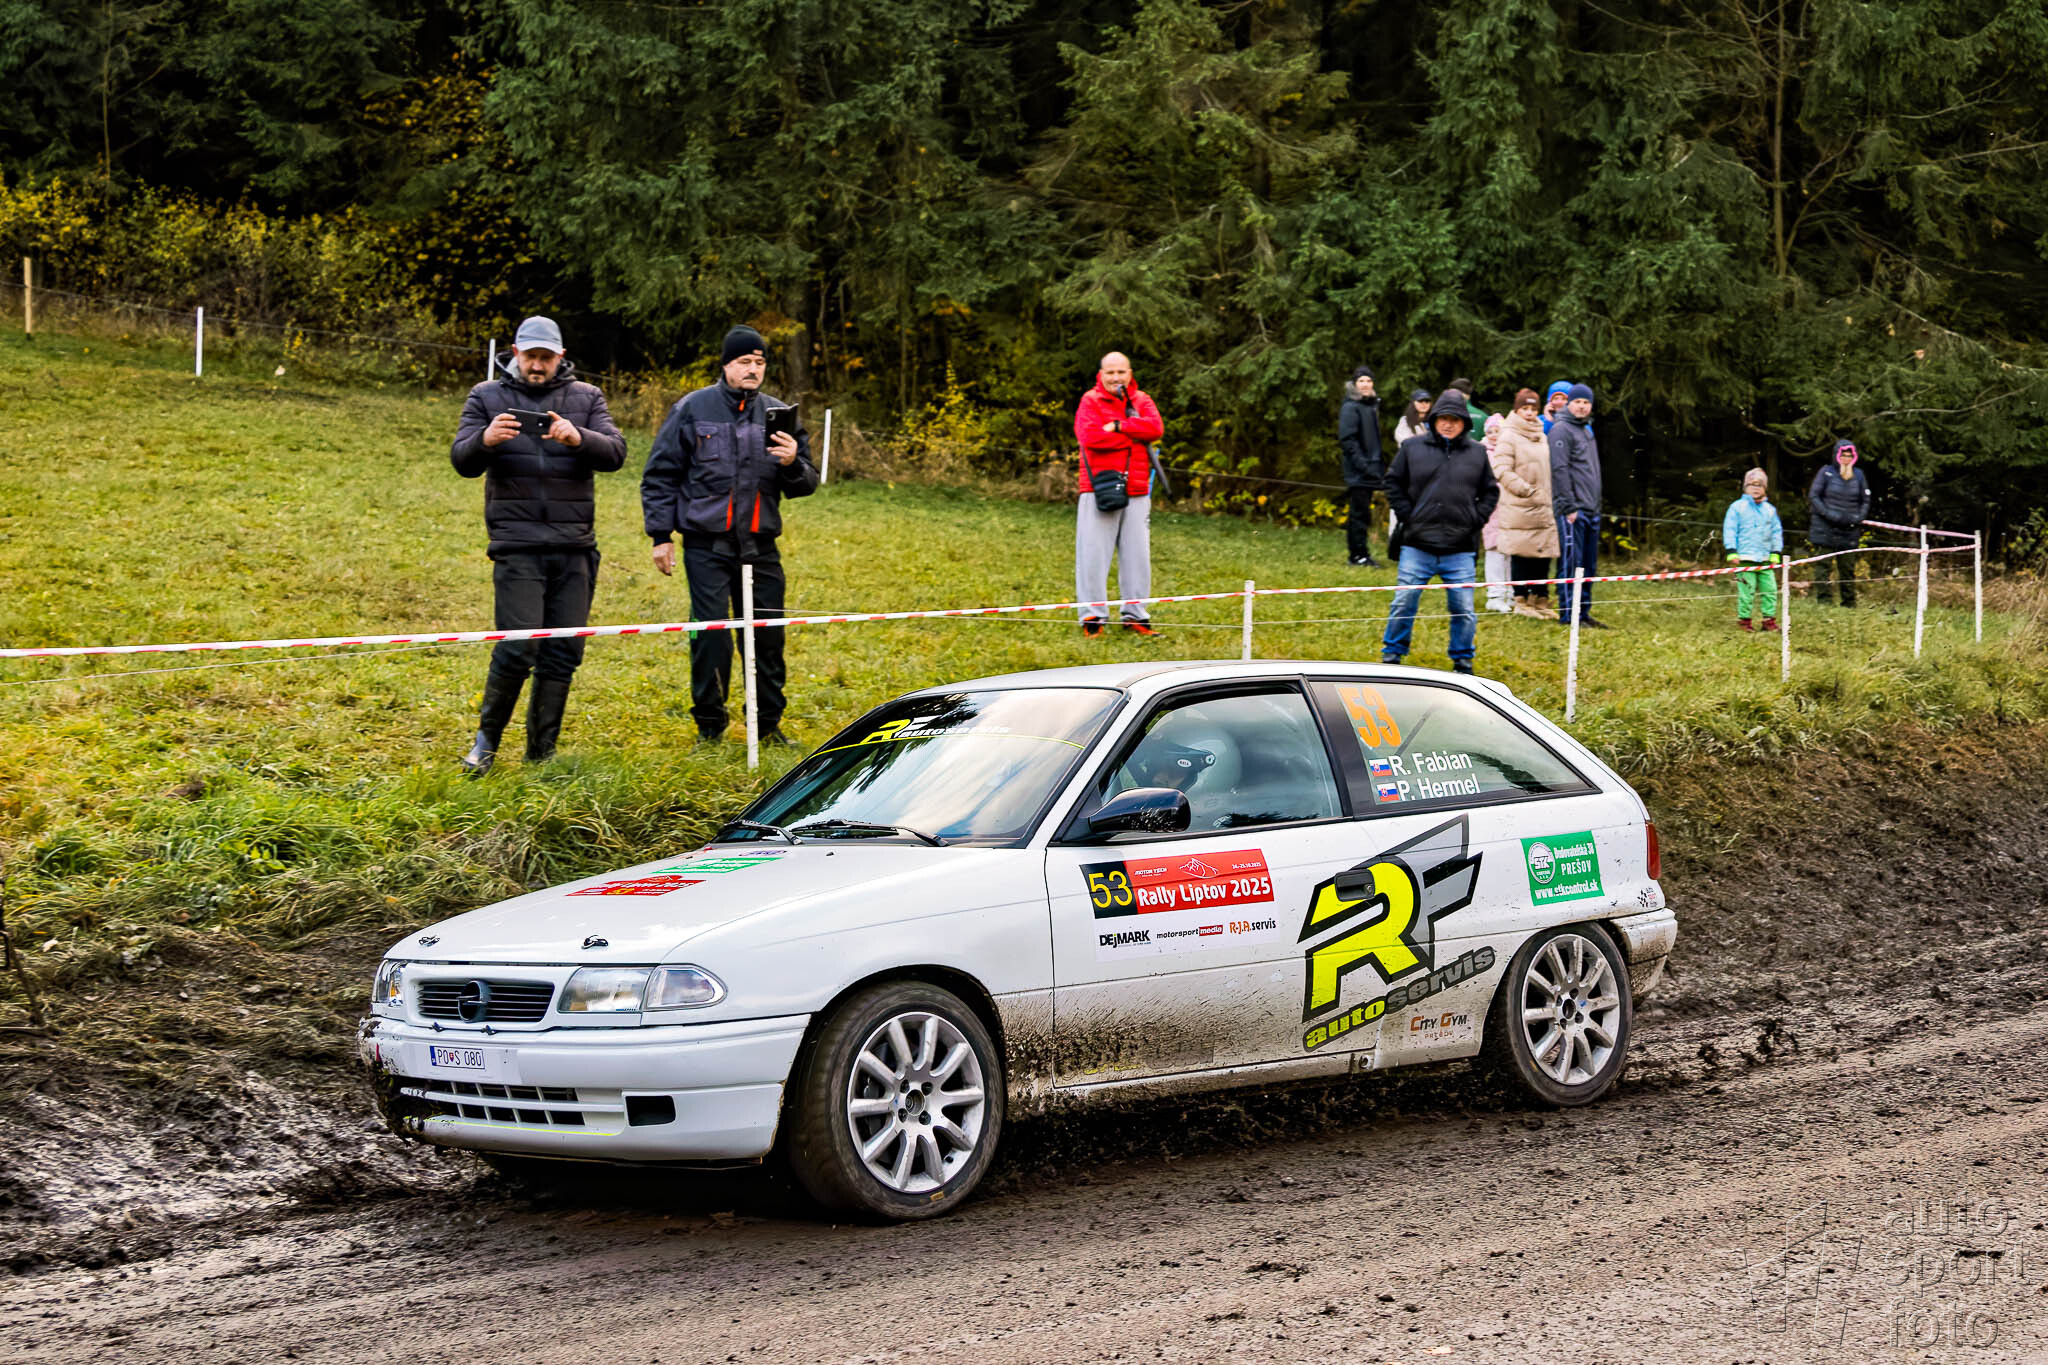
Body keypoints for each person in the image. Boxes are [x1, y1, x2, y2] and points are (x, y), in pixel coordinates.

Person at [449, 315, 628, 775]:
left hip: (575, 546)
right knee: (516, 647)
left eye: (546, 358)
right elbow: (461, 459)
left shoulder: (587, 397)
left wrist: (579, 437)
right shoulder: (486, 396)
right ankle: (485, 745)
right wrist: (485, 440)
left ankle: (541, 753)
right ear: (515, 353)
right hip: (517, 544)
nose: (536, 366)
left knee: (563, 653)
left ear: (560, 357)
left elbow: (616, 453)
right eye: (530, 357)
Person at [642, 325, 820, 745]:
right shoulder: (692, 408)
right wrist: (660, 536)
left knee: (767, 637)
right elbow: (660, 475)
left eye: (759, 362)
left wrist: (793, 462)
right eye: (744, 362)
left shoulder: (780, 414)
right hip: (706, 546)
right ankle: (710, 727)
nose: (753, 369)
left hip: (761, 547)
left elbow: (807, 482)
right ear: (726, 365)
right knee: (712, 637)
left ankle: (767, 724)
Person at [1381, 390, 1499, 674]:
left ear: (1464, 423)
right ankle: (1392, 655)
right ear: (1434, 420)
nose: (1448, 424)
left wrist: (1475, 519)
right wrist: (1409, 516)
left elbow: (1490, 492)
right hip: (1417, 545)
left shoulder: (1477, 453)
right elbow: (1392, 483)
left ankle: (1462, 660)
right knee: (1404, 601)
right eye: (1443, 418)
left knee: (1464, 608)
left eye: (1455, 419)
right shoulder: (1411, 447)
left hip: (1460, 548)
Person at [1074, 351, 1166, 637]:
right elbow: (1090, 437)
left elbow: (1155, 428)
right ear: (1101, 375)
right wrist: (1135, 437)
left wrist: (1119, 426)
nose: (1116, 378)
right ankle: (1093, 618)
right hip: (1099, 488)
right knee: (1093, 556)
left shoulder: (1142, 400)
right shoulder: (1090, 401)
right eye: (1110, 372)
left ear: (1130, 373)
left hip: (1137, 488)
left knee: (1137, 557)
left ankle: (1136, 616)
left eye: (1121, 372)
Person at [1491, 388, 1560, 618]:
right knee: (1522, 555)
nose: (1529, 413)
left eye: (1533, 409)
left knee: (1543, 554)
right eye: (1525, 408)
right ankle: (1521, 600)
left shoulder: (1542, 435)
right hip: (1521, 504)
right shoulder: (1508, 435)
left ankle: (1539, 599)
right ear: (1517, 410)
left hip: (1543, 504)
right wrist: (1525, 490)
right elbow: (1501, 469)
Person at [1549, 382, 1608, 629]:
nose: (1582, 406)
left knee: (1588, 566)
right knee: (1572, 564)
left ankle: (1583, 612)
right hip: (1572, 510)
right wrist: (1569, 506)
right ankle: (1569, 614)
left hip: (1591, 508)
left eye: (1586, 402)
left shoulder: (1586, 430)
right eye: (1577, 402)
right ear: (1569, 404)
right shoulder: (1561, 430)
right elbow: (1559, 470)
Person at [1807, 440, 1871, 606]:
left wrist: (1858, 517)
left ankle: (1849, 602)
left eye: (1849, 456)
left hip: (1849, 529)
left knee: (1847, 568)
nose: (1846, 458)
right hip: (1825, 528)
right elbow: (1814, 496)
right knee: (1823, 566)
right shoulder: (1825, 472)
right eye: (1843, 455)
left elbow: (1865, 500)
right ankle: (1824, 601)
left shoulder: (1859, 475)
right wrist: (1828, 514)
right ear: (1837, 455)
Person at [1723, 467, 1784, 631]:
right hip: (1744, 558)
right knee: (1746, 591)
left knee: (1770, 590)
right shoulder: (1737, 507)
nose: (1756, 488)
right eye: (1752, 484)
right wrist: (1731, 551)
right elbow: (1730, 530)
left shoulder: (1770, 510)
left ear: (1765, 488)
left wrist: (1775, 552)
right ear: (1745, 487)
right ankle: (1744, 620)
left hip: (1765, 559)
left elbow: (1776, 532)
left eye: (1760, 485)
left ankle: (1768, 621)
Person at [1336, 365, 1384, 567]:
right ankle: (1357, 556)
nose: (1365, 384)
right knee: (1358, 514)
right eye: (1361, 381)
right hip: (1359, 471)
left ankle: (1360, 552)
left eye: (1369, 380)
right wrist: (1364, 466)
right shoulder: (1351, 407)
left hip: (1370, 469)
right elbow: (1348, 441)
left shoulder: (1370, 405)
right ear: (1354, 384)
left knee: (1362, 513)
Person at [1480, 414, 1512, 613]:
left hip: (1510, 508)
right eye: (1490, 432)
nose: (1493, 435)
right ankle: (1495, 594)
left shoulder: (1509, 451)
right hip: (1492, 509)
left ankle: (1509, 592)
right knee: (1495, 550)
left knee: (1509, 551)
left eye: (1497, 431)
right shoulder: (1482, 452)